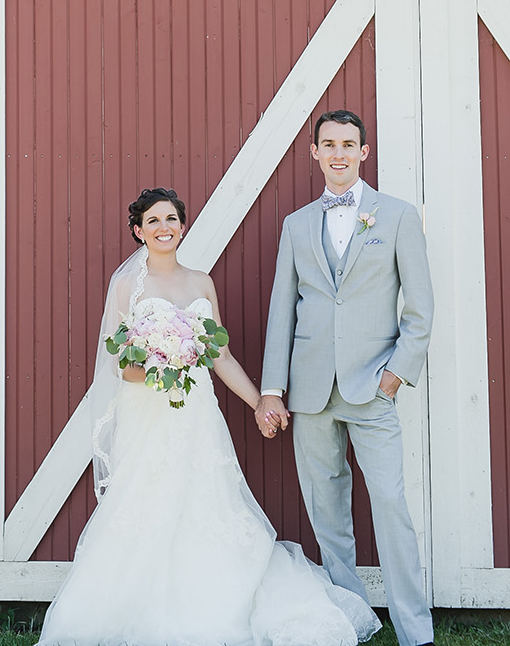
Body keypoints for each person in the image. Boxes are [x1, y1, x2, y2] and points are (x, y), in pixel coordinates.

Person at [37, 186, 381, 646]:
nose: (165, 228)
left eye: (172, 219)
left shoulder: (202, 283)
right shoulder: (126, 286)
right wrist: (167, 360)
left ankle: (220, 598)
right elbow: (124, 366)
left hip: (197, 414)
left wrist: (261, 400)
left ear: (183, 225)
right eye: (154, 221)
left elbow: (220, 357)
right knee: (147, 504)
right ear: (138, 231)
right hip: (149, 417)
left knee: (207, 501)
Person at [255, 110, 435, 646]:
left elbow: (420, 309)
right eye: (328, 144)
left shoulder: (398, 216)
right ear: (314, 153)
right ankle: (350, 622)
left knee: (391, 506)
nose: (338, 152)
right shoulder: (297, 224)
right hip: (310, 392)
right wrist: (272, 389)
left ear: (363, 152)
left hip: (372, 387)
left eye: (348, 144)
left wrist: (396, 376)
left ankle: (415, 631)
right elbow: (281, 310)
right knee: (327, 514)